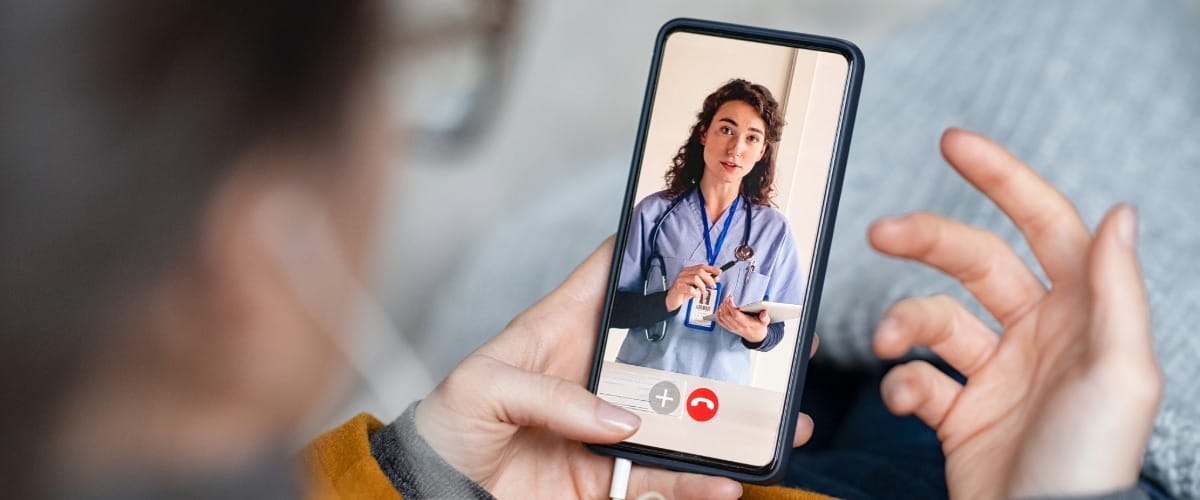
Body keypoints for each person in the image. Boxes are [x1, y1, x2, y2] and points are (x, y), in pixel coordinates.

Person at [0, 1, 1164, 499]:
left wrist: (416, 472)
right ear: (253, 247)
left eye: (751, 133)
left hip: (740, 421)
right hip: (838, 444)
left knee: (890, 369)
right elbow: (648, 307)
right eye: (395, 77)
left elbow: (775, 313)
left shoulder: (767, 224)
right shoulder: (657, 218)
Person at [609, 79, 804, 385]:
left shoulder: (773, 231)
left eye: (752, 138)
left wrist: (755, 333)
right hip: (643, 378)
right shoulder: (653, 213)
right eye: (726, 129)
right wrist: (668, 299)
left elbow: (776, 330)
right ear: (703, 133)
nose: (736, 149)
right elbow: (611, 309)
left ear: (762, 151)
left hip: (720, 390)